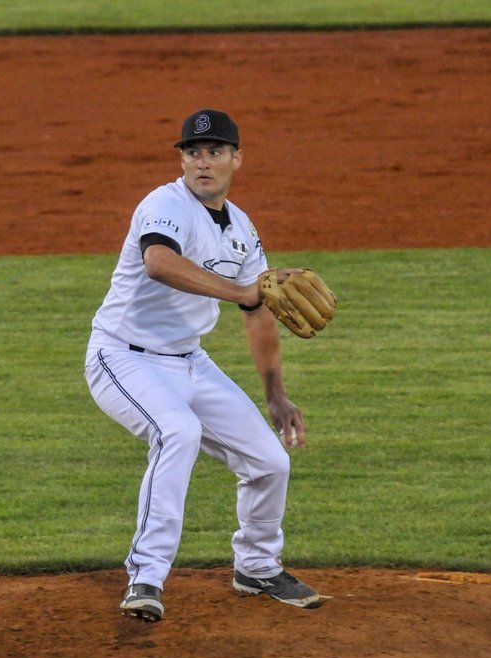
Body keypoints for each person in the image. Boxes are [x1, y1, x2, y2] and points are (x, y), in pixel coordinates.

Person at [84, 109, 326, 622]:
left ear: (237, 158)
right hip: (122, 357)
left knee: (270, 463)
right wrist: (242, 291)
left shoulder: (241, 228)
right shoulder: (164, 205)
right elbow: (159, 261)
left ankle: (257, 567)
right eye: (193, 152)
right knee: (178, 432)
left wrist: (275, 394)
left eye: (215, 152)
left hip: (190, 361)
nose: (202, 162)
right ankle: (146, 577)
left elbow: (258, 310)